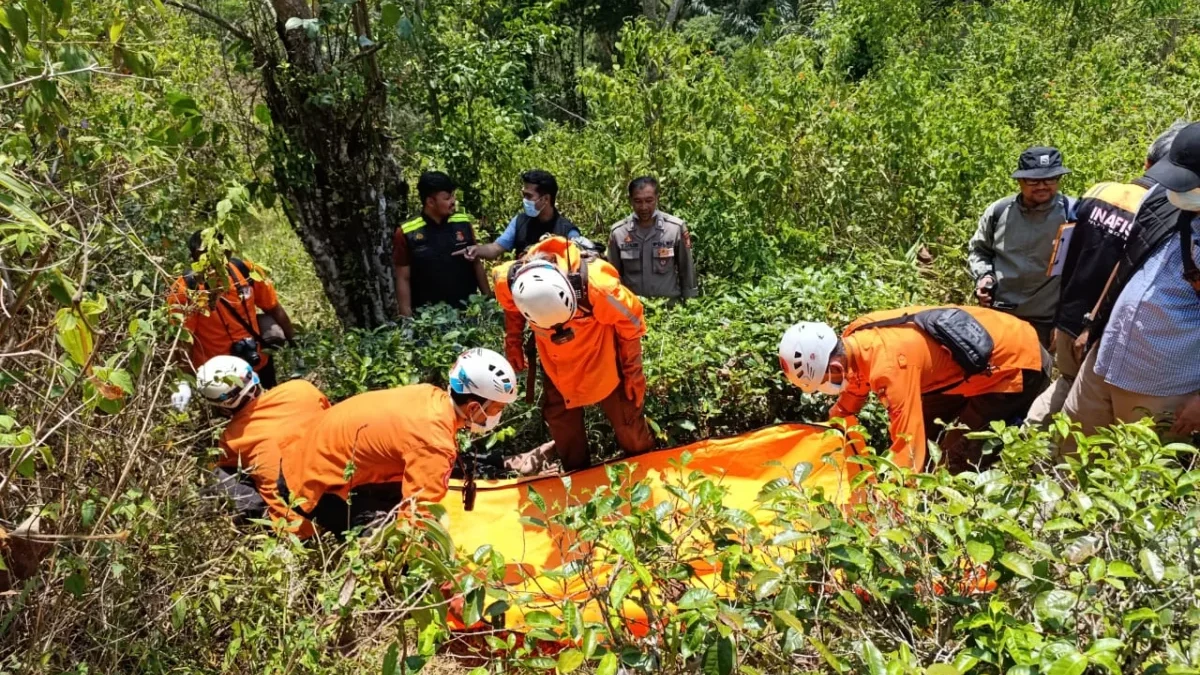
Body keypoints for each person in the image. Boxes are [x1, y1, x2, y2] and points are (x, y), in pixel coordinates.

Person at [1026, 123, 1186, 425]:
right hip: (1105, 329)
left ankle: (1025, 447)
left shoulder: (1099, 191)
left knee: (1065, 387)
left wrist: (1059, 314)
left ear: (1146, 162)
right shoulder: (1163, 212)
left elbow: (1063, 254)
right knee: (1090, 406)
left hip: (1069, 316)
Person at [779, 306, 1049, 474]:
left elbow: (908, 447)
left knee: (954, 457)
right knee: (929, 437)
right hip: (961, 364)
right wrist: (836, 419)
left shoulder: (890, 369)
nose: (827, 386)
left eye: (825, 378)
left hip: (1014, 364)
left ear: (835, 366)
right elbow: (855, 381)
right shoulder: (855, 336)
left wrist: (892, 506)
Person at [277, 348, 518, 535]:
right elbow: (417, 518)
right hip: (310, 488)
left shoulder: (427, 394)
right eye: (496, 408)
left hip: (300, 456)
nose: (497, 415)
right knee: (389, 540)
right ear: (475, 406)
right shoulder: (434, 442)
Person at [1062, 121, 1200, 443]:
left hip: (1162, 384)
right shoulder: (1161, 198)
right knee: (1071, 450)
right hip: (1106, 357)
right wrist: (1092, 325)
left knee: (1138, 475)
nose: (1175, 190)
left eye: (1188, 184)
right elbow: (1128, 261)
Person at [494, 236, 654, 472]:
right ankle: (576, 475)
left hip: (601, 358)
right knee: (562, 422)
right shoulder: (507, 279)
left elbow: (631, 323)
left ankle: (645, 464)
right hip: (555, 363)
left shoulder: (599, 286)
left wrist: (633, 373)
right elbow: (510, 306)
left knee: (627, 421)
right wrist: (513, 341)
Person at [195, 355, 330, 538]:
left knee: (219, 475)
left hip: (297, 529)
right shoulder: (301, 389)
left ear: (222, 406)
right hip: (348, 498)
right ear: (254, 376)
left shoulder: (232, 438)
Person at [968, 146, 1076, 346]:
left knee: (1036, 374)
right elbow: (979, 251)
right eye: (1033, 180)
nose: (1042, 186)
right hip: (999, 315)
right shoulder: (999, 212)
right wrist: (984, 277)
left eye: (1050, 179)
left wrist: (1065, 322)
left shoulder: (1073, 214)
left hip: (1044, 320)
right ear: (1019, 180)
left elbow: (1081, 272)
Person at [167, 230, 295, 389]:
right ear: (193, 258)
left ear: (226, 251)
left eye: (215, 252)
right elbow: (183, 340)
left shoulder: (246, 271)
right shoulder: (185, 289)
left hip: (257, 360)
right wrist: (184, 382)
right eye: (203, 253)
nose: (210, 259)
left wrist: (296, 345)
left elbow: (274, 308)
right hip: (220, 377)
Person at [393, 171, 492, 317]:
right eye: (447, 198)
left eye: (453, 196)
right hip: (428, 317)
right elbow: (403, 277)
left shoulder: (462, 222)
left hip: (467, 311)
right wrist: (406, 317)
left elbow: (476, 264)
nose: (453, 201)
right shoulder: (407, 232)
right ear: (430, 202)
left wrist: (488, 301)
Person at [607, 176, 698, 300]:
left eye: (649, 200)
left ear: (657, 198)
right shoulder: (619, 232)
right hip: (631, 310)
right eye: (638, 201)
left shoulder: (674, 228)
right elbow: (612, 275)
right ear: (630, 201)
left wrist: (690, 302)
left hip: (668, 309)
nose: (644, 207)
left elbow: (686, 269)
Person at [459, 170, 581, 262]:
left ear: (545, 199)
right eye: (523, 195)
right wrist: (476, 249)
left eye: (528, 196)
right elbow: (496, 248)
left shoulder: (568, 231)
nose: (524, 200)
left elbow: (579, 255)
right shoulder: (519, 222)